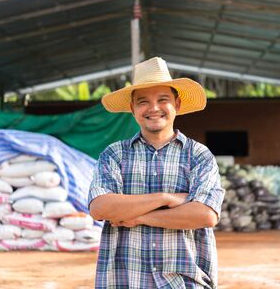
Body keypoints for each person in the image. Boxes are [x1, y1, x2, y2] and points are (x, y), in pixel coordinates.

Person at [88, 57, 224, 288]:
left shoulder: (199, 155)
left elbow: (204, 215)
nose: (153, 108)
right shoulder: (114, 155)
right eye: (143, 101)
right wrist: (167, 198)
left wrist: (137, 217)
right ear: (132, 108)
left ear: (177, 105)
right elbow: (100, 208)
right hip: (125, 280)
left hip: (183, 281)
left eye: (163, 99)